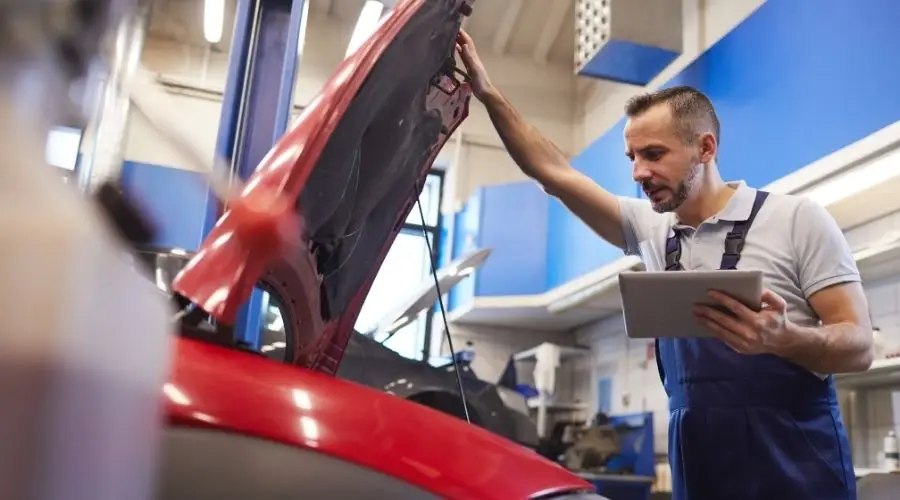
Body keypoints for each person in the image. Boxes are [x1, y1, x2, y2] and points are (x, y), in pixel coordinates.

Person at [455, 30, 873, 500]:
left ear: (706, 148)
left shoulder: (797, 219)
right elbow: (554, 173)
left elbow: (858, 346)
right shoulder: (652, 231)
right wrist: (488, 94)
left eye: (654, 154)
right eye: (632, 157)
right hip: (698, 461)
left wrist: (786, 338)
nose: (638, 173)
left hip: (794, 466)